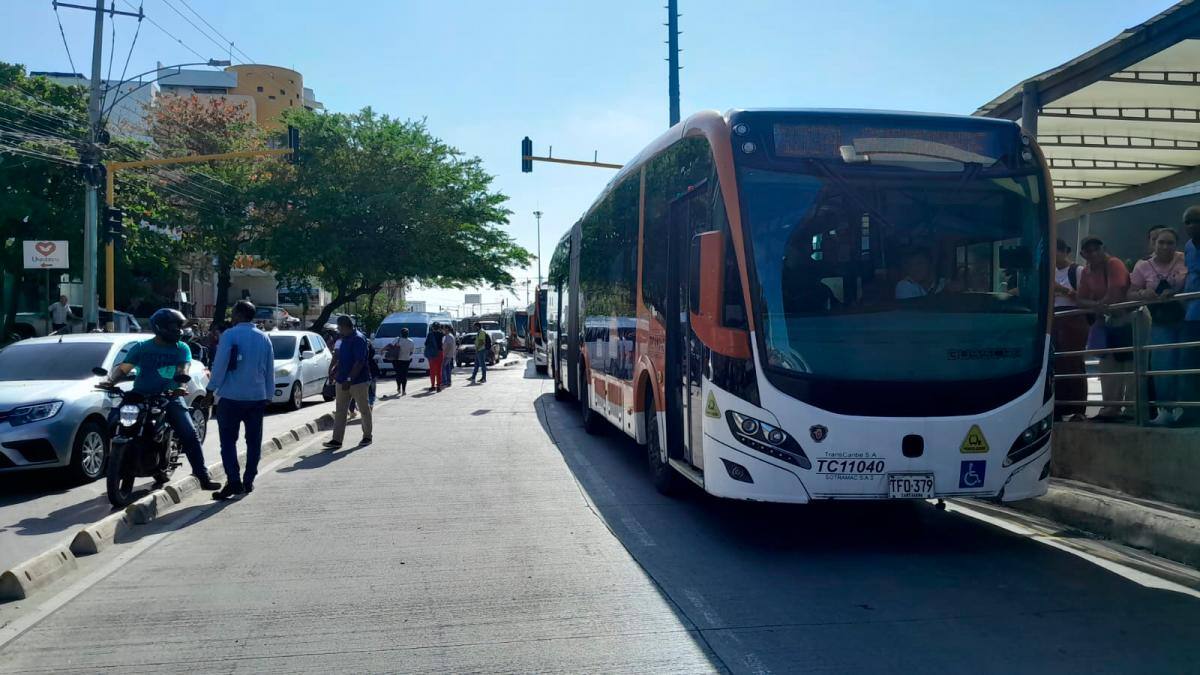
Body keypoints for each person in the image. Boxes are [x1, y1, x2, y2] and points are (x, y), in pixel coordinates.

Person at [101, 308, 220, 490]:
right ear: (162, 327)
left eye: (179, 326)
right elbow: (123, 368)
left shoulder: (182, 348)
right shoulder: (142, 348)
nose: (179, 330)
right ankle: (116, 460)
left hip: (169, 397)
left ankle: (202, 476)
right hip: (139, 396)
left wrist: (181, 386)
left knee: (189, 434)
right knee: (114, 420)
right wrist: (109, 381)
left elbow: (183, 369)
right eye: (175, 326)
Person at [206, 301, 274, 499]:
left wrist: (211, 390)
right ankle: (248, 481)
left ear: (239, 314)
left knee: (228, 442)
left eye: (234, 312)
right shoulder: (264, 338)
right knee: (253, 441)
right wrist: (268, 394)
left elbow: (219, 365)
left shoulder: (230, 335)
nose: (232, 315)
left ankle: (234, 481)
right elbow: (269, 369)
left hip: (231, 396)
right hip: (256, 397)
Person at [1130, 227, 1188, 425]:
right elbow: (1130, 292)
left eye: (1170, 242)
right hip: (1160, 323)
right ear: (1154, 244)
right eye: (1161, 242)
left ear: (1176, 244)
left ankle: (1187, 408)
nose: (1165, 246)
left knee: (1186, 361)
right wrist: (1142, 294)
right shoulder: (1142, 266)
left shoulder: (1186, 258)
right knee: (1163, 365)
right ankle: (1166, 410)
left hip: (1186, 319)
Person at [1076, 236, 1132, 420]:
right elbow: (1080, 298)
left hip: (1128, 319)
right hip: (1108, 321)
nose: (1093, 253)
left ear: (1103, 248)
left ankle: (1133, 408)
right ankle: (1111, 407)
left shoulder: (1114, 263)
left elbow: (1116, 291)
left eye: (1096, 249)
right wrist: (1098, 305)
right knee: (1108, 366)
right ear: (1083, 254)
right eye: (1088, 250)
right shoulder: (1086, 271)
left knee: (1131, 365)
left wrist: (1096, 305)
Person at [1052, 239, 1088, 421]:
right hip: (1054, 318)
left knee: (1073, 362)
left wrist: (1063, 290)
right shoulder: (1050, 272)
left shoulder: (1077, 271)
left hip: (1073, 318)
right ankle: (1059, 405)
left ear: (1064, 251)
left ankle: (1077, 408)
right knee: (1056, 363)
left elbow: (1084, 298)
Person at [325, 315, 372, 448]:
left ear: (345, 326)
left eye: (339, 327)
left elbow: (359, 362)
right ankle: (337, 440)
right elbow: (339, 355)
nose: (338, 330)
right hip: (341, 380)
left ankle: (367, 436)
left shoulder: (358, 339)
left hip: (358, 381)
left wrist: (349, 379)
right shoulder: (343, 339)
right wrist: (333, 369)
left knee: (364, 409)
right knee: (340, 410)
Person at [1181, 206, 1200, 425]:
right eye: (1187, 222)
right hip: (1191, 313)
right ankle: (1191, 412)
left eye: (1195, 221)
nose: (1191, 226)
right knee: (1189, 364)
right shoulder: (1188, 247)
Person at [384, 327, 415, 396]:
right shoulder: (411, 342)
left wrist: (382, 350)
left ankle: (398, 388)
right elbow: (411, 352)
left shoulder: (397, 339)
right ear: (408, 334)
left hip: (397, 360)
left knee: (398, 374)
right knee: (404, 375)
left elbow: (390, 345)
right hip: (406, 360)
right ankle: (404, 390)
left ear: (401, 333)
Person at [425, 322, 444, 391]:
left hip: (432, 354)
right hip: (440, 353)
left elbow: (426, 343)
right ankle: (438, 386)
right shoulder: (442, 334)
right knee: (439, 370)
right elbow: (443, 344)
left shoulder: (430, 334)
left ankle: (432, 386)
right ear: (439, 327)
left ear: (432, 327)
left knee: (432, 370)